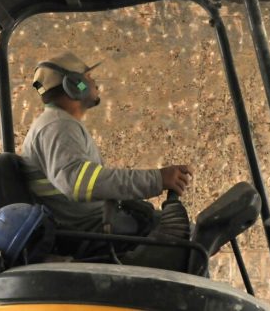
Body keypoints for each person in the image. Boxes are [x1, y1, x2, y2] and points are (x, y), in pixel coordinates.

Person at [20, 51, 192, 247]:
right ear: (76, 85)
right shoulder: (58, 126)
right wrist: (157, 179)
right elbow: (78, 183)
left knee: (194, 234)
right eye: (88, 77)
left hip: (95, 223)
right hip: (91, 232)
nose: (94, 83)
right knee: (192, 239)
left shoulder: (58, 124)